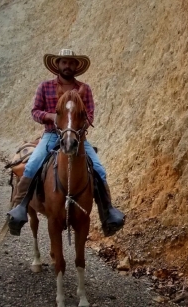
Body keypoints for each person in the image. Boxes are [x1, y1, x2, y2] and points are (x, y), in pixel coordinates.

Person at [7, 49, 125, 236]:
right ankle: (20, 208)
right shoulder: (44, 87)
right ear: (58, 65)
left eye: (71, 63)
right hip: (51, 135)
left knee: (99, 170)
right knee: (31, 166)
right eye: (64, 62)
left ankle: (107, 214)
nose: (67, 66)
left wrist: (75, 124)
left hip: (77, 136)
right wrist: (51, 116)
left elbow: (91, 114)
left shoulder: (84, 89)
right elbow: (35, 111)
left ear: (76, 66)